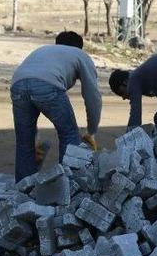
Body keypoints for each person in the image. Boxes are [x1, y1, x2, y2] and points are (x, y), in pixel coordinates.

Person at [11, 31, 101, 182]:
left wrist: (36, 137)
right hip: (48, 85)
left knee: (24, 141)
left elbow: (29, 82)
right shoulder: (80, 54)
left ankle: (24, 188)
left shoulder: (44, 50)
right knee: (69, 134)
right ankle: (68, 185)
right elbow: (92, 96)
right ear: (80, 47)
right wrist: (91, 130)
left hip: (17, 84)